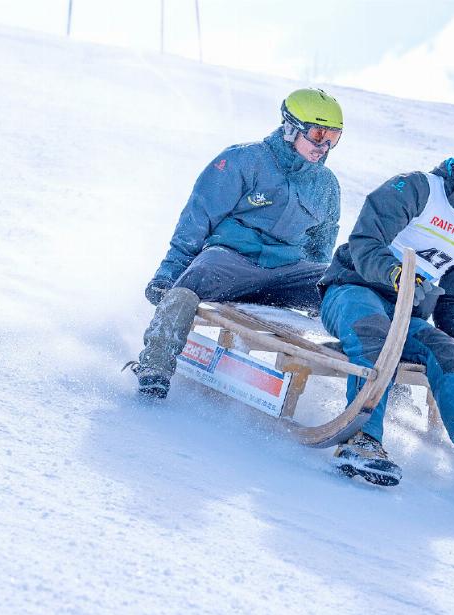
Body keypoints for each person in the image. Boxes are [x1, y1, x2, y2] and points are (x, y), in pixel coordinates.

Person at [318, 122, 454, 487]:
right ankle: (361, 439)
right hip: (352, 289)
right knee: (375, 337)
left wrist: (452, 350)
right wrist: (396, 274)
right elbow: (365, 242)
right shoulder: (415, 189)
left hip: (407, 314)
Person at [127, 88, 344, 399]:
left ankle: (382, 382)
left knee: (341, 289)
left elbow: (321, 245)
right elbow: (197, 218)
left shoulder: (326, 185)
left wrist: (322, 283)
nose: (324, 146)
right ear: (291, 127)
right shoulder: (243, 160)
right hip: (231, 263)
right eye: (318, 133)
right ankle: (155, 365)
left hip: (285, 273)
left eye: (333, 137)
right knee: (192, 279)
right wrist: (168, 273)